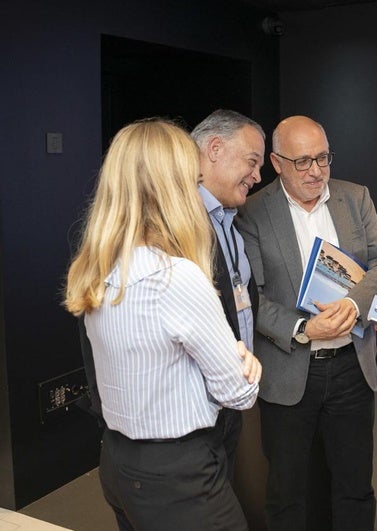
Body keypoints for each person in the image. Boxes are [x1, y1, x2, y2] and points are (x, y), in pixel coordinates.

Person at [64, 119, 261, 531]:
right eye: (191, 181)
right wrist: (247, 363)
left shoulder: (97, 270)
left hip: (118, 462)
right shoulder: (177, 277)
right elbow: (239, 393)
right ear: (173, 188)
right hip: (179, 476)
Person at [235, 115, 377, 531]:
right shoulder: (254, 212)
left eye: (323, 159)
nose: (316, 171)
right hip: (290, 373)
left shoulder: (354, 198)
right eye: (303, 161)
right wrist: (304, 329)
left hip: (351, 368)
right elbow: (253, 298)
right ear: (276, 162)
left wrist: (353, 303)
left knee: (354, 486)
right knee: (288, 492)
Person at [190, 109, 264, 477]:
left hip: (228, 401)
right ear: (215, 148)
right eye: (252, 161)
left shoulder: (230, 221)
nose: (257, 176)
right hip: (194, 413)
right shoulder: (180, 223)